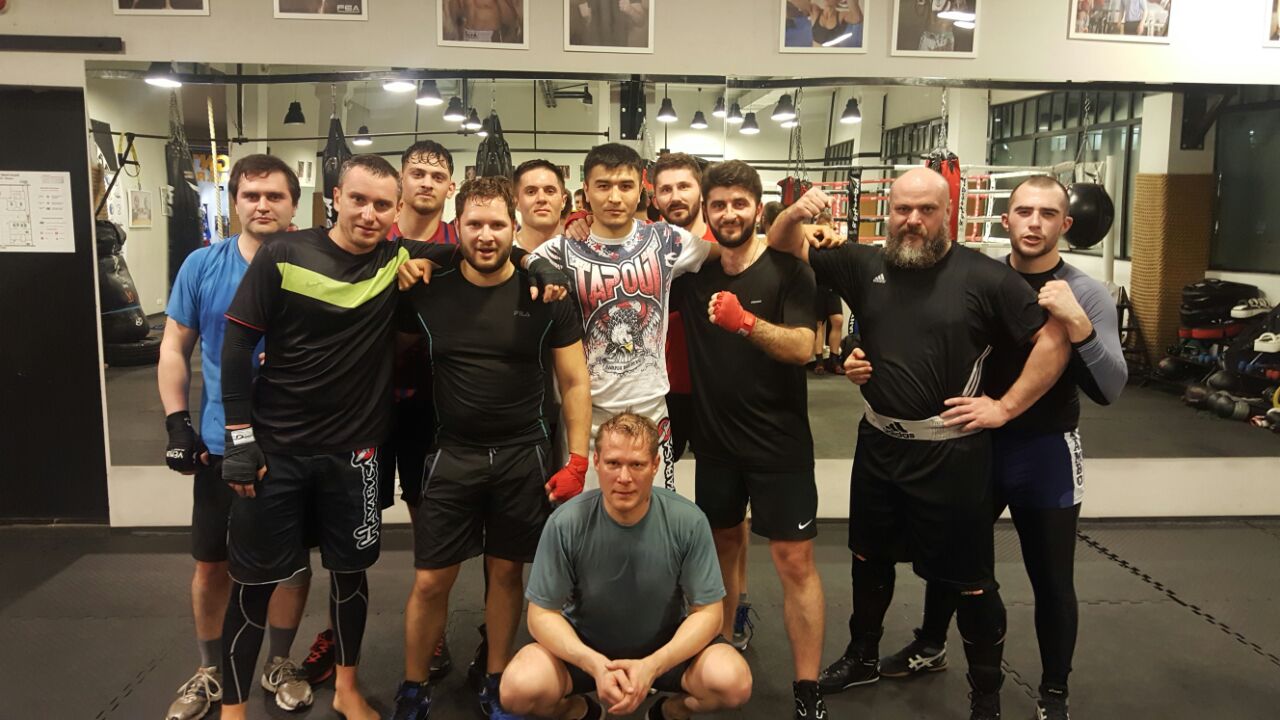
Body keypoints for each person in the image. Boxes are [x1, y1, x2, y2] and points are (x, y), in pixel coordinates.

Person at [768, 168, 1071, 720]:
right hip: (879, 443)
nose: (912, 220)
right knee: (868, 558)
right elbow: (784, 245)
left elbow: (1054, 339)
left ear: (948, 212)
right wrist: (795, 212)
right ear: (888, 211)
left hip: (951, 453)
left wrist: (1005, 407)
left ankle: (986, 697)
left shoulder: (985, 277)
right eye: (903, 209)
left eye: (926, 210)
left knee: (971, 583)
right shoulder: (863, 263)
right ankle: (863, 656)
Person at [877, 176, 1126, 720]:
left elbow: (1110, 388)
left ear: (1066, 224)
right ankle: (932, 644)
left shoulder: (1084, 291)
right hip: (975, 444)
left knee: (1052, 577)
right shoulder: (977, 276)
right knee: (951, 559)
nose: (1034, 223)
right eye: (1024, 212)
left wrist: (1076, 321)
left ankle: (1054, 691)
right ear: (1005, 219)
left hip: (1044, 451)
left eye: (1047, 214)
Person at [217, 155, 441, 720]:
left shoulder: (396, 258)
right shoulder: (283, 253)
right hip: (279, 449)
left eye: (382, 205)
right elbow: (237, 345)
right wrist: (239, 437)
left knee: (349, 573)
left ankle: (346, 688)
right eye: (358, 200)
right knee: (254, 582)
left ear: (397, 210)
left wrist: (541, 271)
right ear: (335, 198)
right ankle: (233, 710)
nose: (369, 214)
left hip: (355, 452)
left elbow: (480, 251)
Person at [390, 176, 591, 720]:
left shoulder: (546, 293)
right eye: (474, 224)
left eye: (497, 224)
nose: (486, 236)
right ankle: (413, 686)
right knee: (432, 579)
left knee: (506, 573)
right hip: (452, 453)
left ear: (513, 225)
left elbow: (575, 381)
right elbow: (386, 343)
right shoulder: (426, 287)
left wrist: (578, 459)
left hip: (523, 453)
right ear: (458, 227)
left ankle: (497, 678)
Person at [158, 154, 315, 719]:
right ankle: (210, 669)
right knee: (212, 564)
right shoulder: (203, 265)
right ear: (234, 203)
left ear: (294, 204)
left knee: (292, 565)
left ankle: (279, 662)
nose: (262, 205)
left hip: (295, 442)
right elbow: (174, 346)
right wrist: (177, 421)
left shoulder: (316, 264)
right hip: (223, 445)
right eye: (251, 195)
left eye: (275, 196)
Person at [673, 160, 829, 720]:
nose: (729, 213)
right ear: (706, 210)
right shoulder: (693, 275)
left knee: (794, 561)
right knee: (722, 547)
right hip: (716, 445)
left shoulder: (789, 270)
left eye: (739, 203)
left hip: (779, 445)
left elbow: (804, 347)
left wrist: (745, 323)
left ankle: (806, 687)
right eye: (718, 204)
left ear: (758, 209)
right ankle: (724, 644)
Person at [500, 413, 753, 720]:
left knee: (733, 683)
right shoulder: (565, 523)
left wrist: (653, 665)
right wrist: (594, 664)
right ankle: (579, 711)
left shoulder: (688, 521)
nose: (624, 477)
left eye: (637, 465)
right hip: (585, 651)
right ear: (596, 462)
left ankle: (670, 713)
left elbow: (710, 613)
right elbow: (541, 615)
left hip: (665, 650)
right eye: (613, 463)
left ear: (655, 465)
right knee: (517, 689)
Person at [530, 143, 719, 491]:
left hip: (651, 408)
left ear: (640, 191)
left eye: (625, 186)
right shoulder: (561, 249)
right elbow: (513, 257)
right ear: (586, 190)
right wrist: (535, 263)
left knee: (653, 513)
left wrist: (797, 238)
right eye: (603, 186)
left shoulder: (666, 240)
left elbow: (732, 252)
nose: (614, 197)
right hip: (588, 415)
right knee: (585, 516)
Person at [379, 139, 462, 685]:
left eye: (437, 175)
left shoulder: (461, 245)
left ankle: (434, 634)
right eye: (417, 173)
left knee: (427, 520)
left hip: (435, 406)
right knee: (350, 529)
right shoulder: (372, 238)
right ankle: (338, 633)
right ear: (401, 182)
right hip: (367, 403)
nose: (427, 182)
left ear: (450, 186)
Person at [514, 159, 568, 252]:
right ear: (516, 202)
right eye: (531, 192)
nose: (541, 198)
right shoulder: (502, 255)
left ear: (563, 201)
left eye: (550, 191)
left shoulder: (582, 254)